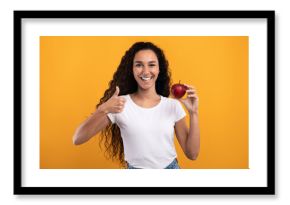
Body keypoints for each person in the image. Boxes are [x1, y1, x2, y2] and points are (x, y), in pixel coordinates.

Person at [72, 42, 200, 169]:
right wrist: (103, 108)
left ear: (158, 69)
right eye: (139, 65)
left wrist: (194, 113)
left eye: (151, 65)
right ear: (132, 69)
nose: (145, 71)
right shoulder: (120, 104)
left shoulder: (173, 106)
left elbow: (192, 154)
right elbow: (78, 138)